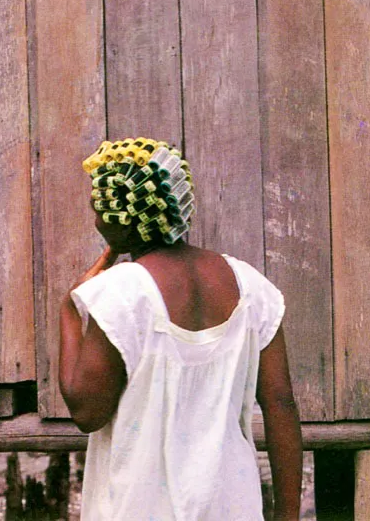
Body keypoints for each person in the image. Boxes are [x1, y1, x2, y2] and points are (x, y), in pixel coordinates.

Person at [59, 137, 303, 520]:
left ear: (119, 221)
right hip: (230, 507)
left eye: (98, 210)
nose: (95, 220)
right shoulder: (251, 287)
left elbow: (86, 411)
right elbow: (281, 405)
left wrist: (70, 311)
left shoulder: (121, 294)